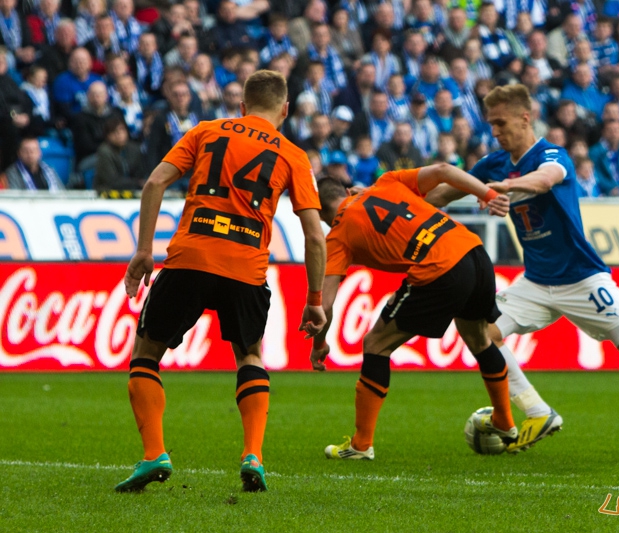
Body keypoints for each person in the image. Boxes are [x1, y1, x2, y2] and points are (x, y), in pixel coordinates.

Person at [426, 84, 619, 458]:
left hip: (583, 277)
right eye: (491, 124)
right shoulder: (492, 163)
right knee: (480, 332)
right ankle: (537, 412)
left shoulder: (552, 154)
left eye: (501, 123)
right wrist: (391, 199)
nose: (495, 132)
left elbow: (545, 178)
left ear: (525, 118)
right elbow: (444, 192)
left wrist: (506, 186)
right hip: (535, 282)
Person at [115, 70, 327, 493]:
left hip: (190, 255)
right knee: (249, 355)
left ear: (243, 106)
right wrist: (316, 298)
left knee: (147, 352)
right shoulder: (293, 155)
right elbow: (314, 234)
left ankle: (154, 452)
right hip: (246, 265)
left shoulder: (206, 131)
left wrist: (143, 250)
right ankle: (253, 455)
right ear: (284, 110)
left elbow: (155, 181)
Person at [310, 165, 516, 459]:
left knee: (375, 344)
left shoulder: (338, 234)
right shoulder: (386, 182)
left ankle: (361, 445)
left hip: (439, 269)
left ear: (319, 214)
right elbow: (444, 170)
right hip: (473, 251)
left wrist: (320, 344)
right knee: (478, 337)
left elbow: (324, 304)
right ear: (346, 191)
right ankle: (505, 423)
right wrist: (489, 194)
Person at [94, 116, 145, 191]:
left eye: (122, 131)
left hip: (133, 190)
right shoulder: (104, 152)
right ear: (107, 136)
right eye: (114, 132)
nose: (119, 135)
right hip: (108, 192)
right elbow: (111, 181)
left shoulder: (135, 149)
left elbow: (140, 174)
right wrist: (136, 183)